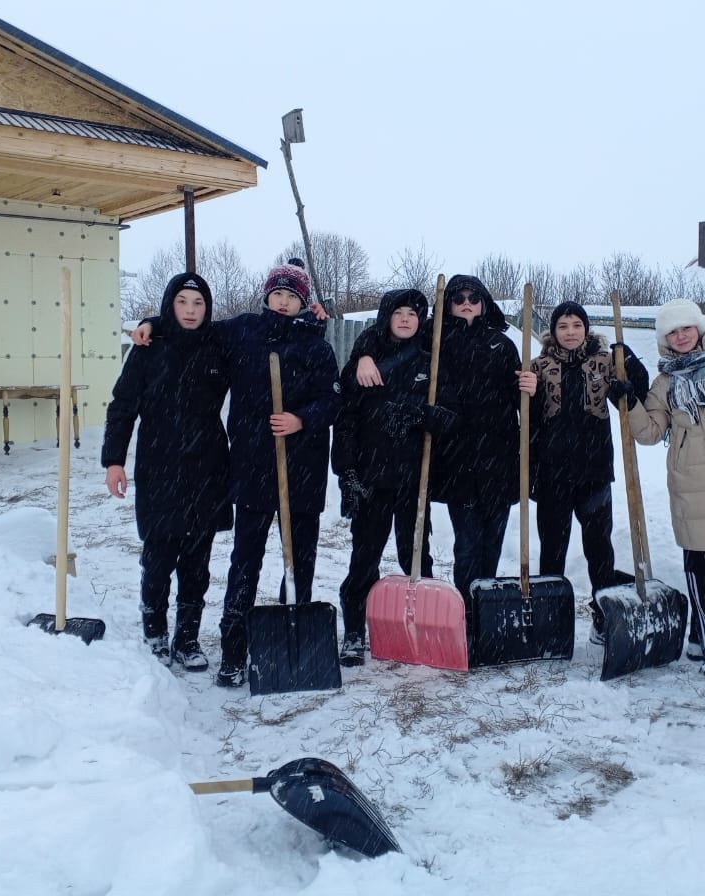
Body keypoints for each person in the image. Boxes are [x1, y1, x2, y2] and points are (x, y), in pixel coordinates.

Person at [132, 262, 340, 687]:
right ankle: (234, 648)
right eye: (278, 293)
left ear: (302, 302)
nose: (283, 302)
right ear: (266, 295)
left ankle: (291, 634)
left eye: (292, 296)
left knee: (300, 560)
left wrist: (301, 418)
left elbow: (332, 400)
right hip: (253, 468)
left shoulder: (317, 347)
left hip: (303, 471)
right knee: (245, 562)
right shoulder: (243, 331)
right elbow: (193, 324)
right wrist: (153, 322)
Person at [355, 274, 536, 602]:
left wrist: (530, 388)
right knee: (467, 544)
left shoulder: (502, 344)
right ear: (448, 304)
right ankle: (465, 609)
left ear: (484, 303)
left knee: (492, 543)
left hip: (499, 458)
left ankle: (486, 609)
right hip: (457, 459)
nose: (467, 304)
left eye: (474, 298)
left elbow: (521, 400)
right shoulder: (433, 336)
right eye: (459, 298)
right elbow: (385, 333)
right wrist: (364, 355)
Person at [101, 272, 232, 671]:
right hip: (159, 465)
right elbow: (122, 406)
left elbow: (261, 331)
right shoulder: (148, 348)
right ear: (169, 305)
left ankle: (187, 638)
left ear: (208, 309)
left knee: (197, 563)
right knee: (158, 558)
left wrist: (312, 319)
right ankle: (155, 631)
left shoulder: (219, 346)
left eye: (198, 303)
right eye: (182, 302)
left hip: (207, 467)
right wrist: (114, 460)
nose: (190, 311)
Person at [624, 298, 705, 679]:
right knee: (700, 573)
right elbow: (649, 432)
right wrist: (629, 401)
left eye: (686, 328)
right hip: (691, 489)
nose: (680, 337)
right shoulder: (665, 382)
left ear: (700, 327)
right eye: (672, 332)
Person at [331, 288, 455, 665]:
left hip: (413, 480)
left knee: (416, 557)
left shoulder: (430, 362)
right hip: (371, 479)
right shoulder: (363, 363)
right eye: (398, 312)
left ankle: (424, 626)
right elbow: (346, 422)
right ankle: (355, 631)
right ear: (386, 317)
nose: (405, 319)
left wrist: (423, 414)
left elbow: (451, 417)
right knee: (364, 559)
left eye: (412, 314)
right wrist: (346, 473)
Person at [528, 300, 648, 643]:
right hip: (552, 475)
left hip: (594, 473)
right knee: (552, 548)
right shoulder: (538, 366)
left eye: (576, 325)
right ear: (553, 331)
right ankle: (551, 618)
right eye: (563, 326)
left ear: (586, 329)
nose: (570, 332)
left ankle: (603, 614)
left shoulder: (604, 362)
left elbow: (639, 389)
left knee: (599, 548)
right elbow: (530, 420)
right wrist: (529, 394)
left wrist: (629, 365)